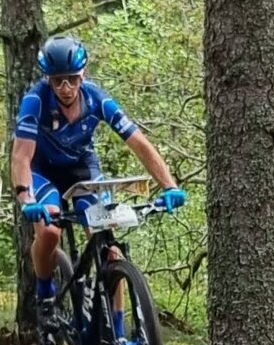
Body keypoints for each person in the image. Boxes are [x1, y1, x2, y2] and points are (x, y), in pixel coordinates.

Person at [11, 36, 183, 325]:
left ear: (83, 76)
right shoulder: (35, 101)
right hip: (42, 170)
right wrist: (25, 199)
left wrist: (170, 186)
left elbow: (139, 142)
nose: (65, 88)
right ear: (48, 80)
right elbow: (21, 158)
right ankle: (45, 295)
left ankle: (118, 329)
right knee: (51, 232)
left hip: (82, 169)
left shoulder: (97, 99)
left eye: (72, 79)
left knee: (110, 250)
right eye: (57, 81)